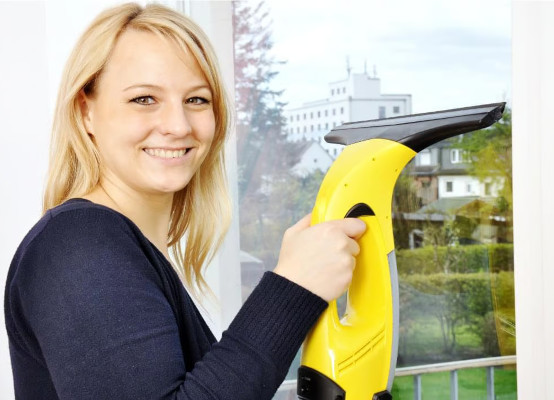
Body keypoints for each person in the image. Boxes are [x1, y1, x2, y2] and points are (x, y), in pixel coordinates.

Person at [4, 3, 365, 399]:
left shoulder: (116, 247)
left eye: (196, 100)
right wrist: (293, 287)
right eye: (144, 99)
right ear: (85, 111)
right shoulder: (79, 245)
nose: (178, 126)